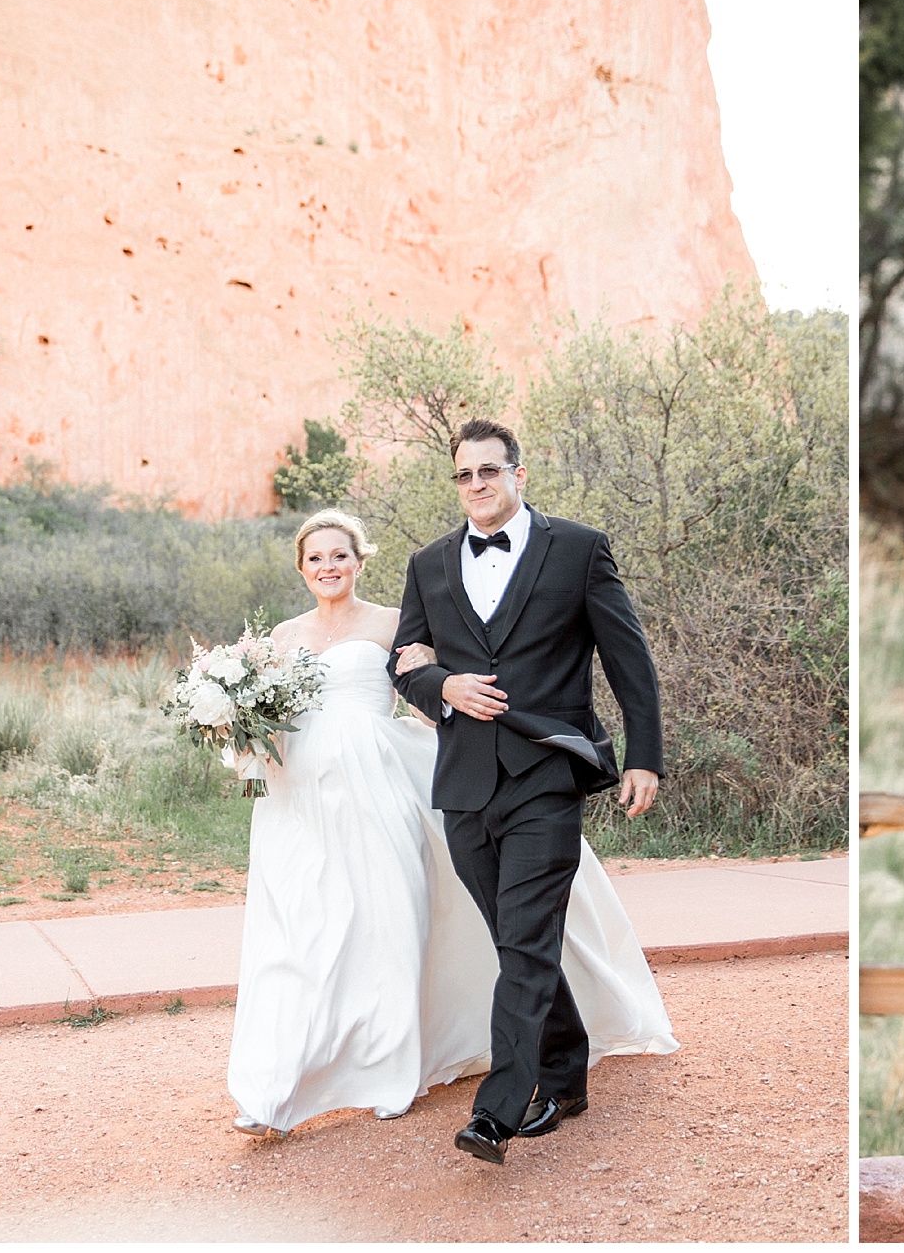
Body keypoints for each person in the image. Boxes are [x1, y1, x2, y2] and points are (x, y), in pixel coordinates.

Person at [226, 509, 676, 1138]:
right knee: (300, 935)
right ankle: (278, 1082)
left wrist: (455, 702)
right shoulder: (280, 636)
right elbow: (283, 717)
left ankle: (409, 1077)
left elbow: (428, 674)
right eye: (315, 558)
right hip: (300, 800)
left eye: (339, 555)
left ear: (360, 560)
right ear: (300, 569)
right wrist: (235, 732)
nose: (328, 567)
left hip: (385, 788)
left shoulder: (390, 620)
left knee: (392, 926)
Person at [390, 418, 665, 1165]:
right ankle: (568, 1073)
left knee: (523, 939)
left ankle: (500, 1111)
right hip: (466, 784)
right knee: (520, 943)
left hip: (548, 772)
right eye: (464, 475)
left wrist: (646, 755)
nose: (477, 485)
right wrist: (442, 683)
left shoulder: (577, 549)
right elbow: (403, 662)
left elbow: (627, 656)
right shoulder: (430, 563)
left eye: (489, 470)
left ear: (518, 473)